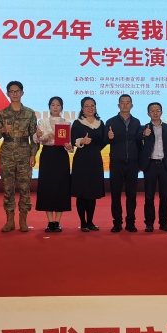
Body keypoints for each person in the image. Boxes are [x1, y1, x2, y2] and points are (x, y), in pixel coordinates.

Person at [0, 81, 38, 233]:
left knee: (25, 188)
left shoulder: (30, 113)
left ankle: (23, 220)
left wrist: (33, 154)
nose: (15, 94)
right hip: (7, 154)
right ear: (8, 94)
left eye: (17, 91)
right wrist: (2, 130)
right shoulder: (2, 113)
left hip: (25, 154)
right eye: (12, 91)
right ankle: (9, 220)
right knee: (8, 188)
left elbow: (34, 137)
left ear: (22, 93)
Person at [34, 96, 74, 233]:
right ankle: (50, 221)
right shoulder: (42, 122)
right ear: (49, 107)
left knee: (61, 187)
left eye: (58, 105)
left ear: (61, 107)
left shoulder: (67, 123)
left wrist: (69, 146)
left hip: (61, 156)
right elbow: (38, 139)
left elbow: (71, 146)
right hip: (48, 155)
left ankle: (58, 221)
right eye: (53, 104)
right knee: (47, 187)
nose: (55, 107)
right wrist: (39, 135)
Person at [105, 94, 144, 233]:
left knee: (131, 195)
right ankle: (117, 223)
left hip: (132, 163)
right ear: (118, 105)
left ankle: (130, 223)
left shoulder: (136, 122)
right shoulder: (110, 122)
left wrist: (140, 163)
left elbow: (139, 143)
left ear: (132, 105)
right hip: (116, 163)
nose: (125, 105)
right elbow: (104, 141)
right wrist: (108, 137)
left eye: (128, 103)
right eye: (122, 102)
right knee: (115, 195)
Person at [139, 102, 167, 233]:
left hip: (164, 165)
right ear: (148, 113)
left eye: (158, 110)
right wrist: (144, 134)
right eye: (152, 111)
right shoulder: (144, 128)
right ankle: (149, 223)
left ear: (161, 112)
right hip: (150, 165)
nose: (155, 113)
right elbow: (138, 141)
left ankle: (164, 222)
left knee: (165, 196)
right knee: (149, 196)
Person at [70, 96, 106, 232]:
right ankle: (83, 222)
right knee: (82, 192)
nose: (90, 108)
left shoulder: (100, 123)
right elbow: (72, 140)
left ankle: (90, 221)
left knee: (92, 192)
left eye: (92, 105)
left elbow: (103, 141)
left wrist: (96, 148)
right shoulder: (77, 123)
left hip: (95, 160)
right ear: (82, 108)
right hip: (81, 160)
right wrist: (82, 141)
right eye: (87, 106)